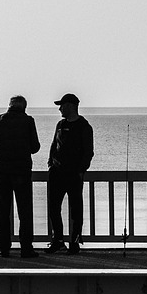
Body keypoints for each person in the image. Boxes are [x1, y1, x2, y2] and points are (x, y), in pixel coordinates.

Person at [0, 95, 40, 258]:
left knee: (3, 211)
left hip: (2, 172)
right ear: (24, 107)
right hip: (21, 172)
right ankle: (26, 247)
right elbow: (35, 147)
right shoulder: (28, 121)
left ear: (10, 106)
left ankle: (4, 247)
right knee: (24, 211)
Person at [45, 93, 94, 255]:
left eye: (62, 105)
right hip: (56, 173)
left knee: (75, 210)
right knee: (53, 208)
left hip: (73, 174)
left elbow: (88, 152)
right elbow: (54, 145)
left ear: (72, 106)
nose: (60, 108)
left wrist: (81, 171)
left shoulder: (84, 126)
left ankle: (74, 241)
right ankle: (57, 240)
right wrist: (51, 163)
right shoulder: (60, 124)